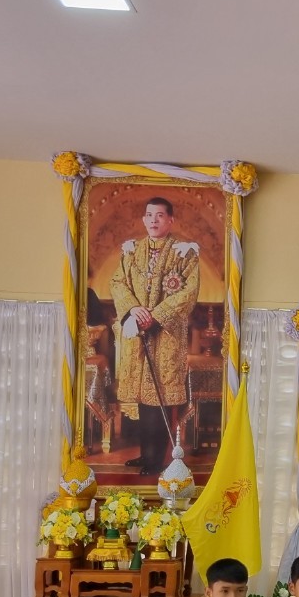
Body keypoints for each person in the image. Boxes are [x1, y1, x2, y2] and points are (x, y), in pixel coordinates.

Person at [110, 196, 201, 473]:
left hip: (166, 336)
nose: (153, 220)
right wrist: (134, 309)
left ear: (170, 220)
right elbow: (117, 282)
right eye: (149, 215)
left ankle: (156, 458)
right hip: (137, 331)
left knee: (158, 396)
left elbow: (188, 293)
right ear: (143, 219)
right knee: (141, 397)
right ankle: (145, 453)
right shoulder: (131, 251)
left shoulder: (184, 253)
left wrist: (156, 316)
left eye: (160, 215)